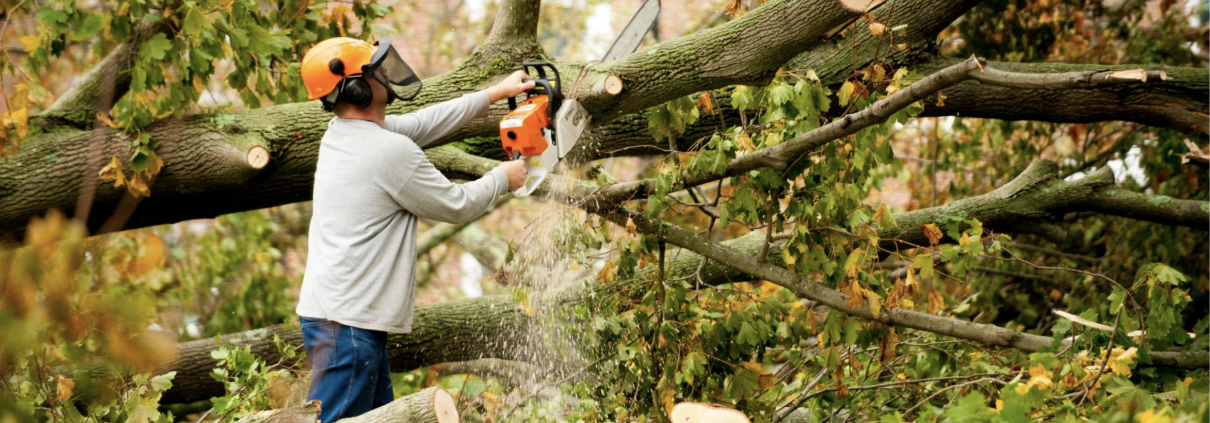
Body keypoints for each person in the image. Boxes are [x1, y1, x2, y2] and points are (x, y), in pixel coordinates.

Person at [294, 36, 531, 422]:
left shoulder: (344, 135)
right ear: (355, 88)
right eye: (376, 71)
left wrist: (494, 93)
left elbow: (426, 122)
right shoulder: (387, 151)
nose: (387, 75)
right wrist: (502, 178)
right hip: (348, 327)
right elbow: (457, 205)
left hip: (342, 318)